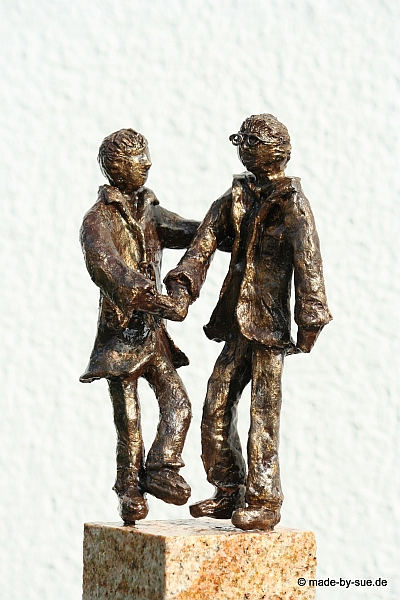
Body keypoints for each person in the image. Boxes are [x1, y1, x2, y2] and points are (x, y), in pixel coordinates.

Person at [165, 113, 332, 531]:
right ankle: (228, 488)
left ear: (277, 151)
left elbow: (308, 263)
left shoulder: (292, 203)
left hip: (269, 328)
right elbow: (203, 245)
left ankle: (264, 500)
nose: (243, 148)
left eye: (251, 141)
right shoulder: (235, 196)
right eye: (240, 140)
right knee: (216, 405)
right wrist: (183, 286)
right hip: (236, 326)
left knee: (263, 414)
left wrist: (310, 317)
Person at [79, 128, 198, 523]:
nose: (147, 163)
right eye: (138, 157)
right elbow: (112, 272)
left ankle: (162, 467)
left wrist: (220, 226)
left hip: (152, 336)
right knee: (128, 422)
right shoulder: (97, 220)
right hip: (120, 338)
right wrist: (163, 303)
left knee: (178, 404)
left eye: (146, 155)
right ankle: (129, 488)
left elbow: (187, 230)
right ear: (117, 166)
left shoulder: (149, 209)